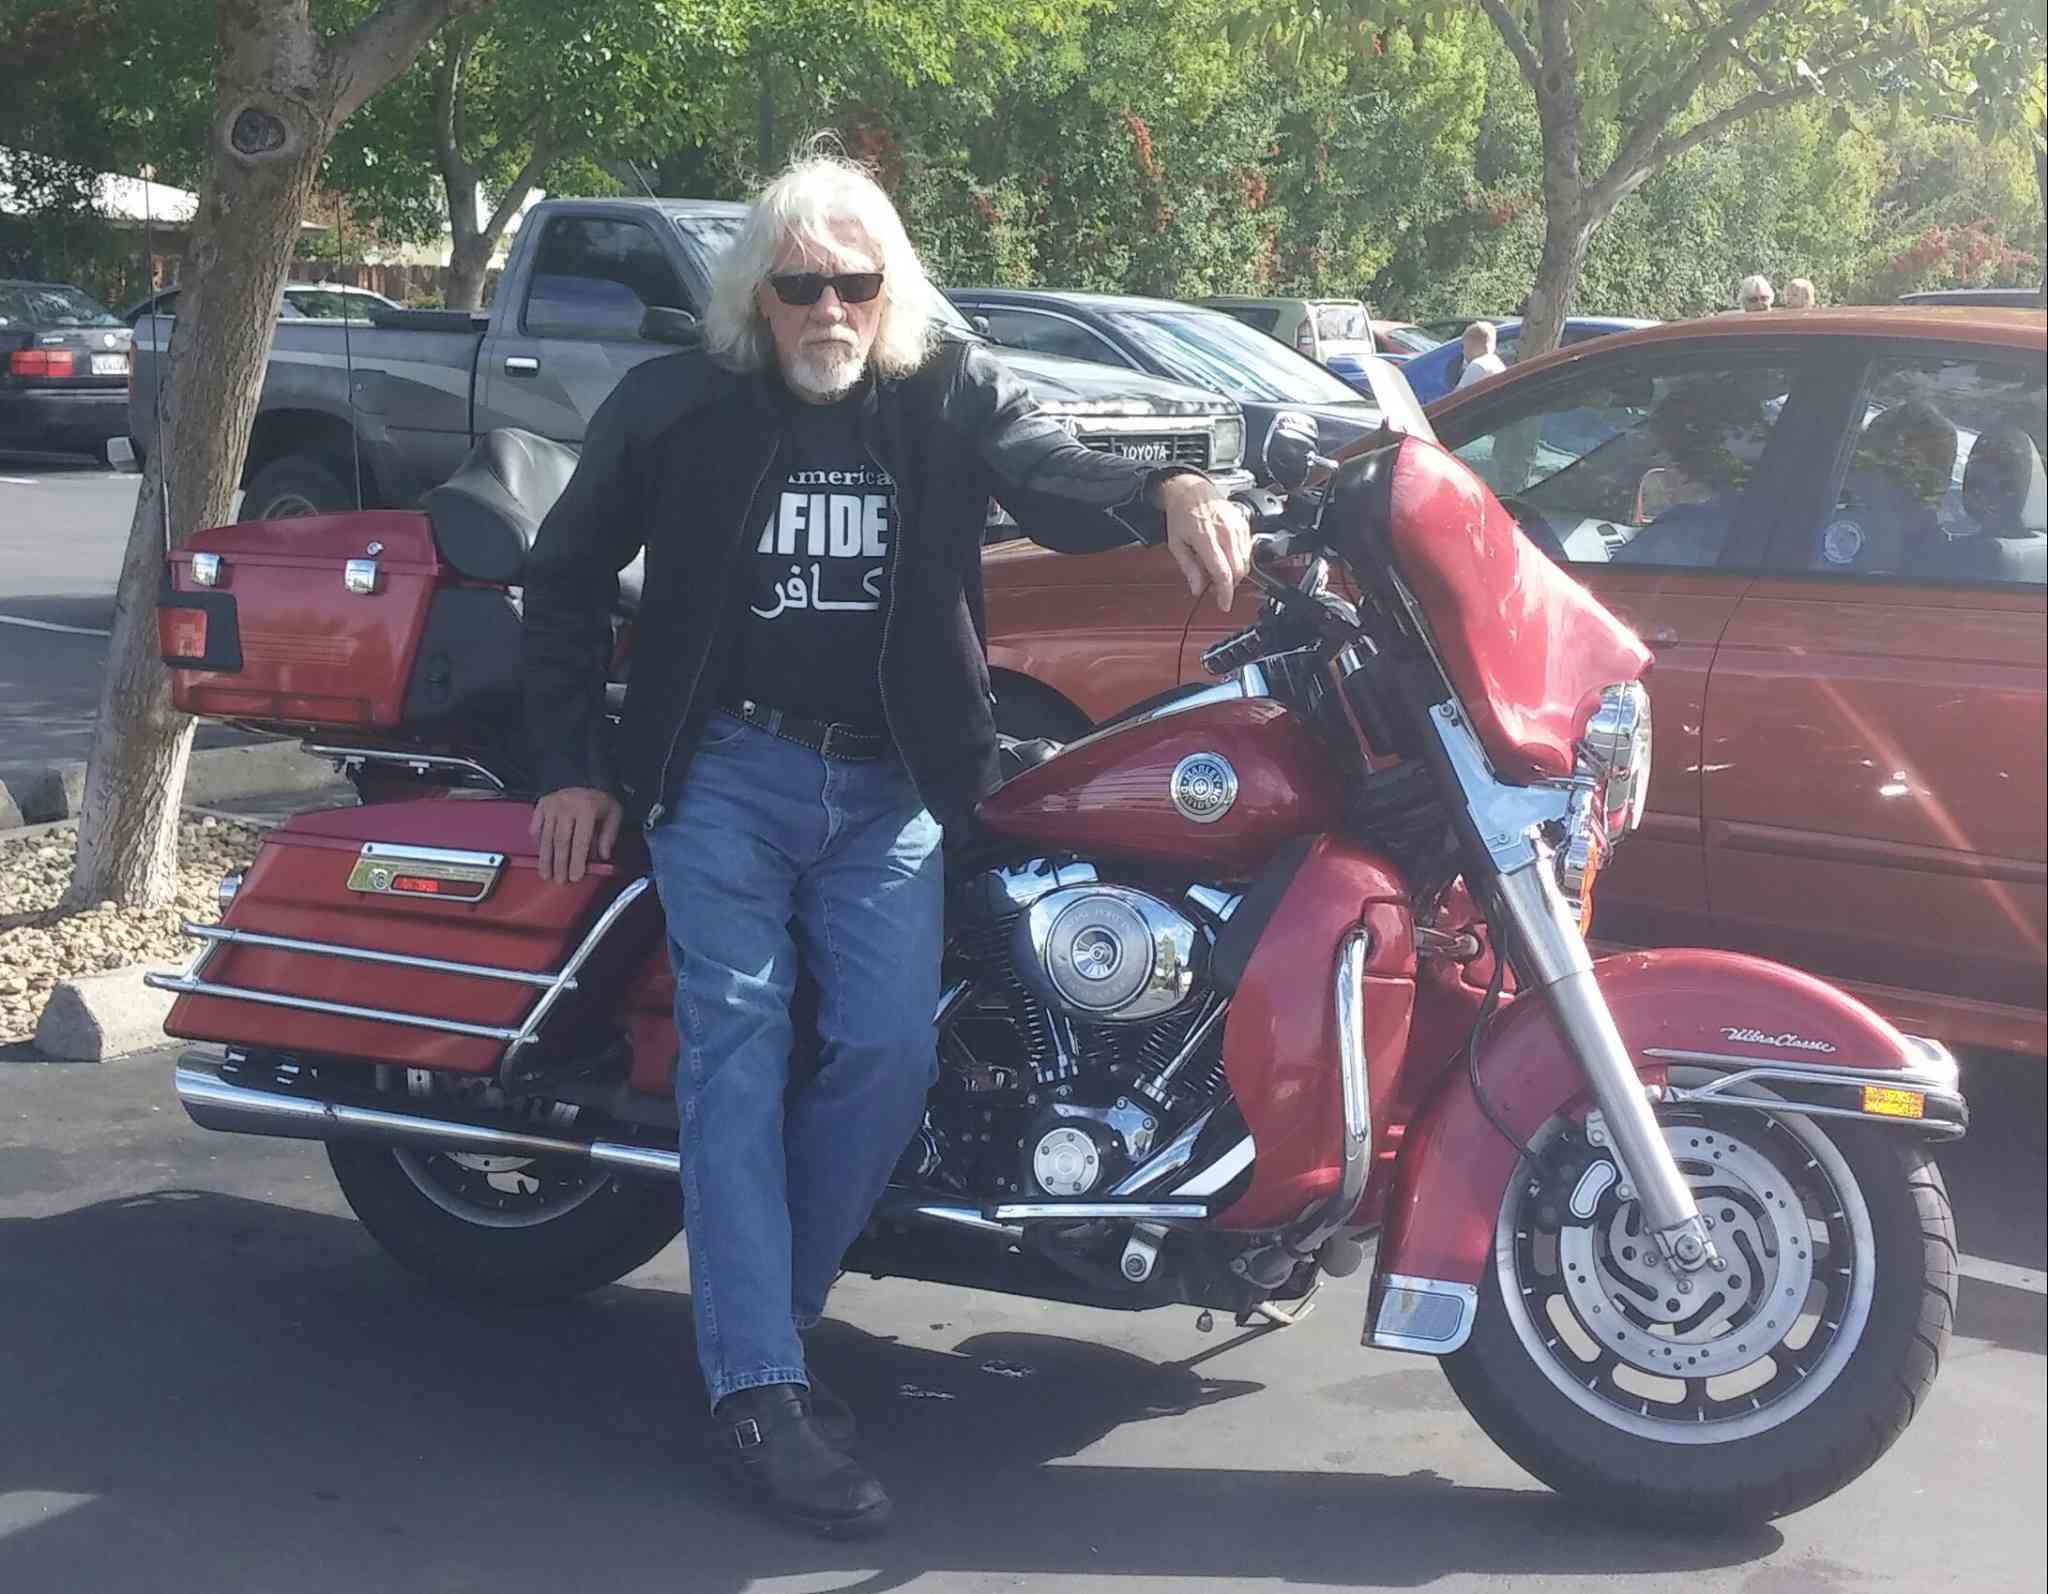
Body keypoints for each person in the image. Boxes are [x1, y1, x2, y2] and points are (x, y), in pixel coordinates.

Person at [519, 144, 1250, 1537]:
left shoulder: (943, 391)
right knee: (736, 1047)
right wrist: (568, 766)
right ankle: (756, 1387)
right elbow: (560, 577)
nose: (828, 311)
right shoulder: (675, 404)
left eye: (853, 285)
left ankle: (772, 1317)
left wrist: (1169, 486)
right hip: (722, 774)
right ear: (758, 294)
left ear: (888, 291)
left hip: (890, 786)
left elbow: (1052, 466)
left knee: (889, 1050)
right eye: (799, 286)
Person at [1454, 320, 1505, 390]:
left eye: (1464, 347)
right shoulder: (1496, 363)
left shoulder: (1477, 366)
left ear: (1471, 345)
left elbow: (1457, 395)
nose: (1463, 352)